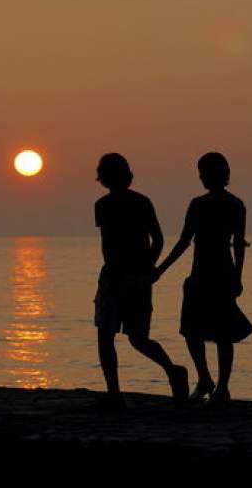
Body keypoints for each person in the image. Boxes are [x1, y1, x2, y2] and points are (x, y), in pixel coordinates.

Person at [154, 152, 252, 405]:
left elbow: (187, 241)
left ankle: (218, 385)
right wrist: (238, 276)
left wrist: (160, 269)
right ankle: (211, 382)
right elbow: (236, 244)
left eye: (203, 172)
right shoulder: (232, 203)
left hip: (212, 273)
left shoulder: (205, 204)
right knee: (201, 331)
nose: (201, 177)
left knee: (211, 331)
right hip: (211, 273)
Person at [92, 152, 189, 409]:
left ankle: (171, 372)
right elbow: (154, 240)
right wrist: (148, 269)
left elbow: (152, 239)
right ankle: (116, 393)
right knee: (118, 336)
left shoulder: (119, 204)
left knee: (127, 337)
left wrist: (147, 270)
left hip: (128, 278)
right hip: (120, 277)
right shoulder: (112, 205)